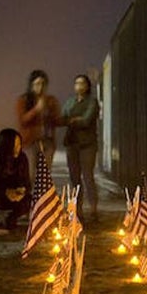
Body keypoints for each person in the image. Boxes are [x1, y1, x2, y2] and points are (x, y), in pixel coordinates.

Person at [61, 73, 100, 222]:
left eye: (82, 83)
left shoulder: (92, 101)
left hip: (87, 144)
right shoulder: (70, 101)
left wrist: (73, 120)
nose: (79, 86)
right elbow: (63, 117)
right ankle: (78, 209)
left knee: (88, 176)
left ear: (87, 86)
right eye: (77, 83)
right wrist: (73, 120)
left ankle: (93, 209)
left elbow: (86, 120)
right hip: (72, 143)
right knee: (74, 178)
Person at [0, 127, 31, 230]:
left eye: (19, 144)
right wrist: (5, 192)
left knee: (30, 200)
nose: (18, 147)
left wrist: (22, 191)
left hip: (14, 195)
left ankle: (12, 218)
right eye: (15, 144)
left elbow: (26, 182)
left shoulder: (22, 158)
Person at [16, 69, 60, 179]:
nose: (40, 87)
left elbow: (56, 120)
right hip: (29, 142)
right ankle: (29, 196)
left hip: (47, 142)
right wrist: (36, 109)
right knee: (30, 174)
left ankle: (42, 196)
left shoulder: (50, 100)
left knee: (44, 177)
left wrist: (51, 113)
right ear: (31, 85)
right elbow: (22, 120)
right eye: (37, 84)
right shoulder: (24, 100)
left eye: (43, 84)